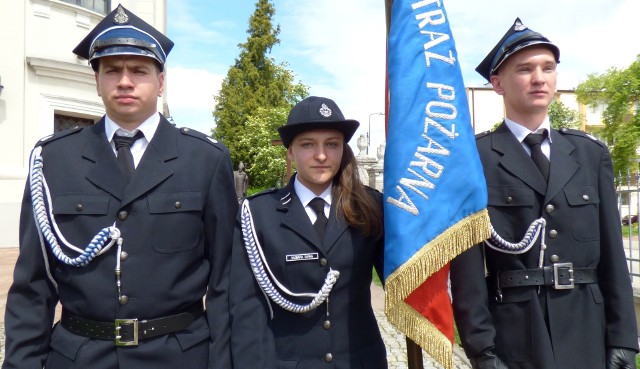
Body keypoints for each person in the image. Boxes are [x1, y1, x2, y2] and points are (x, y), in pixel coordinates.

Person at [2, 5, 237, 369]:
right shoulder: (53, 160)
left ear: (161, 82)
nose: (125, 81)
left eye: (139, 70)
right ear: (96, 81)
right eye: (112, 71)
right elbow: (33, 286)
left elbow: (225, 283)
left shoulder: (204, 160)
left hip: (178, 357)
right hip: (80, 356)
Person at [450, 18, 639, 369]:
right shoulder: (475, 159)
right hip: (516, 331)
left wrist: (625, 339)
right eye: (524, 69)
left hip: (587, 328)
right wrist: (482, 351)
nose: (539, 78)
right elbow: (468, 272)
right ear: (497, 84)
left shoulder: (589, 154)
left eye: (548, 68)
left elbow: (614, 255)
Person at [229, 96, 387, 368]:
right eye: (307, 144)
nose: (322, 155)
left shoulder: (371, 208)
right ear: (290, 152)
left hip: (360, 361)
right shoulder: (258, 215)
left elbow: (400, 281)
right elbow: (246, 310)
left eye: (332, 144)